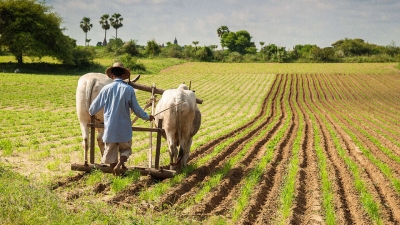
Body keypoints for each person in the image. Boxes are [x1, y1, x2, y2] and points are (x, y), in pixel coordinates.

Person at [89, 62, 154, 175]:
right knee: (126, 150)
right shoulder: (129, 89)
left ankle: (116, 174)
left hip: (110, 128)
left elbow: (93, 109)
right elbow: (137, 109)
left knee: (110, 154)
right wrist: (147, 117)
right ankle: (120, 165)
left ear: (112, 75)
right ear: (123, 75)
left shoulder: (106, 89)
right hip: (124, 128)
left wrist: (91, 113)